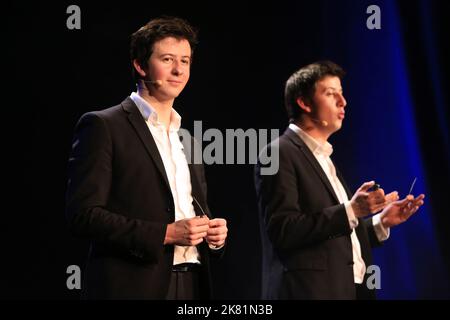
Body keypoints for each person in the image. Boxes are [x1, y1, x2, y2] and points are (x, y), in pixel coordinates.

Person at [65, 16, 228, 300]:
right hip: (134, 285)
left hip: (193, 282)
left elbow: (194, 212)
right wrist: (164, 234)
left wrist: (214, 236)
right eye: (167, 59)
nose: (178, 70)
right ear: (140, 66)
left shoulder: (187, 139)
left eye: (185, 61)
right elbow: (84, 216)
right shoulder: (104, 125)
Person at [255, 60, 425, 300]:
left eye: (342, 94)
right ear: (304, 102)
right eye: (330, 94)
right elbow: (284, 230)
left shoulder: (324, 157)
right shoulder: (279, 153)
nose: (342, 102)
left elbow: (333, 234)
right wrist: (352, 209)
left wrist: (380, 223)